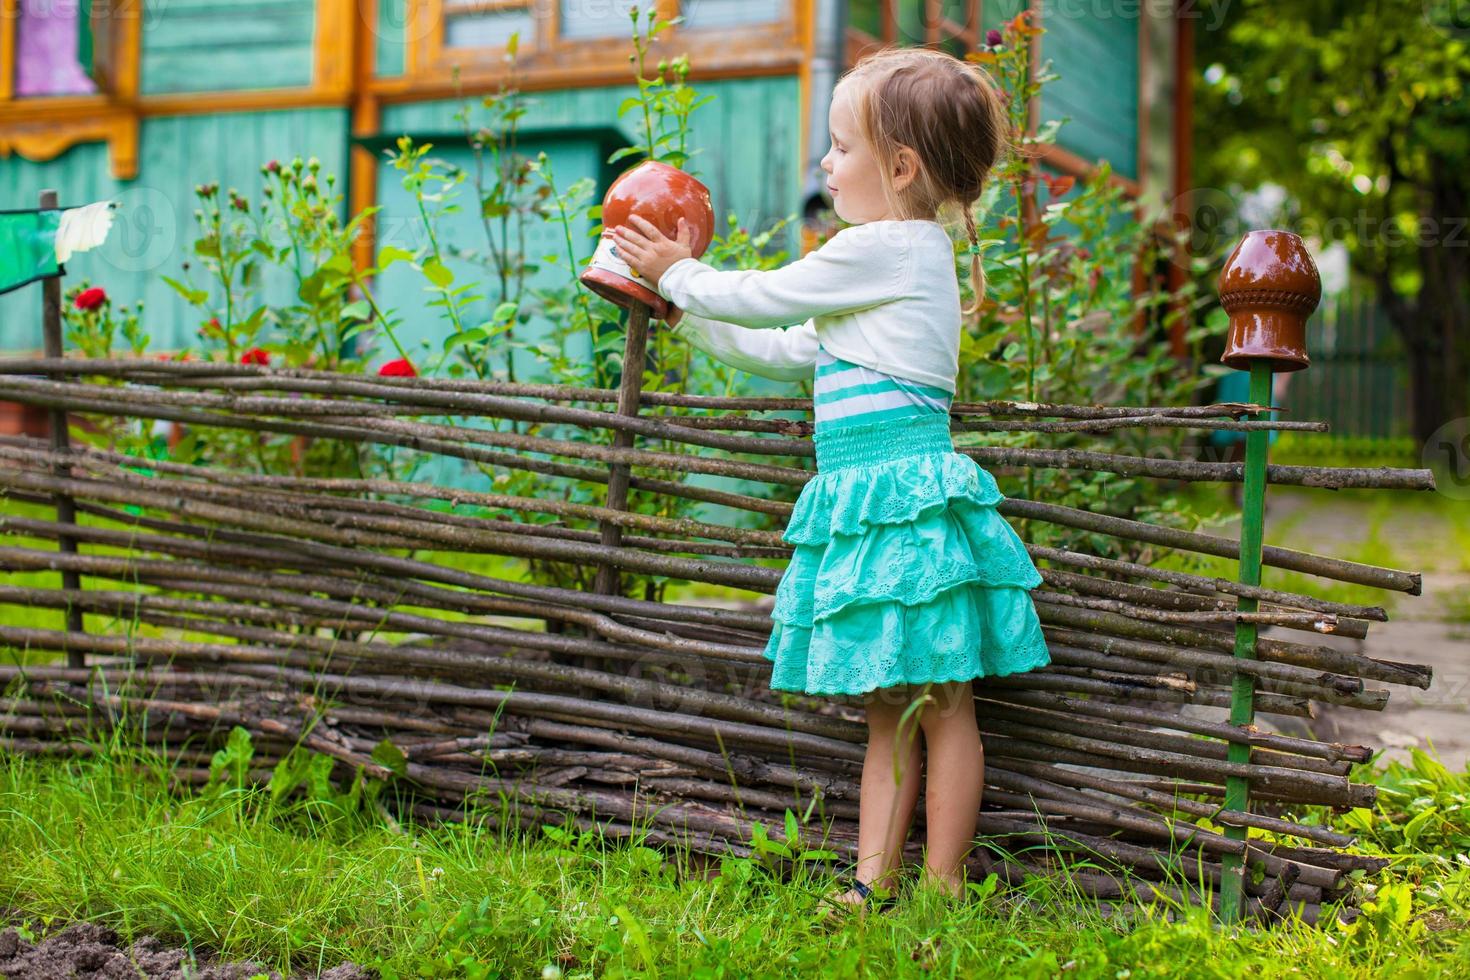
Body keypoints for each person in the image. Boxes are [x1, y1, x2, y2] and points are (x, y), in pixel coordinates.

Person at [611, 46, 1049, 917]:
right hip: (878, 505)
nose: (826, 164)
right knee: (894, 709)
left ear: (899, 167)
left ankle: (942, 883)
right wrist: (682, 315)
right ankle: (872, 882)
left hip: (905, 506)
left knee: (944, 702)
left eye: (841, 148)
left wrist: (679, 273)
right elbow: (784, 348)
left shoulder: (888, 247)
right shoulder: (879, 275)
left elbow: (770, 296)